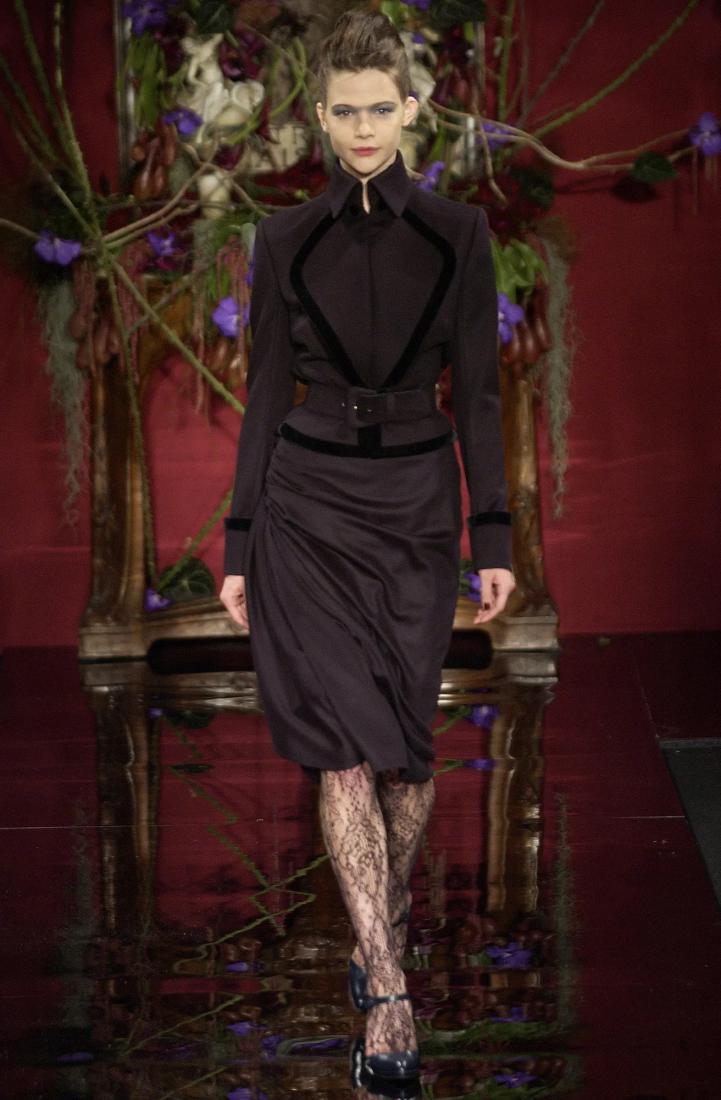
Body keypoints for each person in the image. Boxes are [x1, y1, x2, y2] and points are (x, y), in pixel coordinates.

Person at [219, 8, 516, 1088]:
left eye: (377, 110)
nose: (359, 129)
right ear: (318, 114)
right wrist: (240, 540)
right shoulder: (283, 239)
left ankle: (378, 921)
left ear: (410, 108)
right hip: (307, 503)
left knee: (404, 754)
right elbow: (263, 393)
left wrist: (493, 533)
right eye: (342, 111)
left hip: (413, 506)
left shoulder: (458, 233)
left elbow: (477, 394)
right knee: (345, 745)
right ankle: (387, 991)